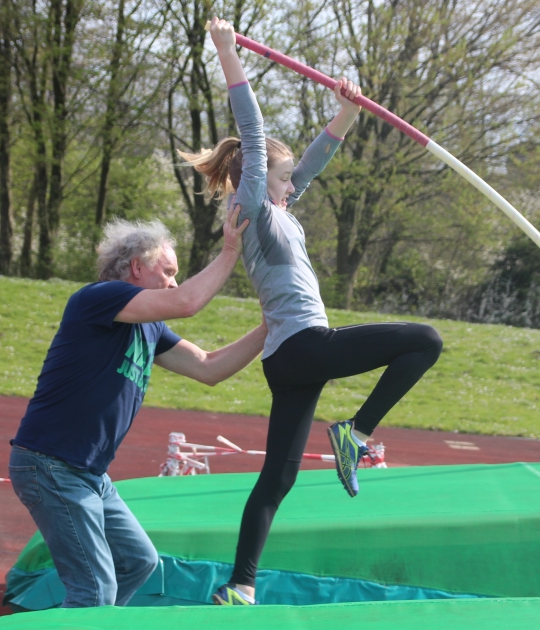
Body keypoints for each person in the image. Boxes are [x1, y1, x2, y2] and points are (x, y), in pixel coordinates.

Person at [181, 18, 443, 606]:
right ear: (257, 175)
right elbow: (252, 129)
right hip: (302, 345)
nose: (292, 184)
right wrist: (226, 49)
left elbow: (313, 164)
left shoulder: (280, 207)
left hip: (290, 359)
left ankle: (240, 586)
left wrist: (345, 111)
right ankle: (356, 432)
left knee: (279, 477)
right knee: (423, 340)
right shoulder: (254, 203)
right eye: (282, 175)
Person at [8, 213, 267, 608]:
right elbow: (187, 302)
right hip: (51, 465)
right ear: (136, 267)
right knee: (94, 590)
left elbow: (209, 367)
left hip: (88, 473)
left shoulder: (150, 328)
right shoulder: (98, 298)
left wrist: (272, 323)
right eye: (168, 271)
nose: (174, 281)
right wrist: (231, 248)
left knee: (138, 562)